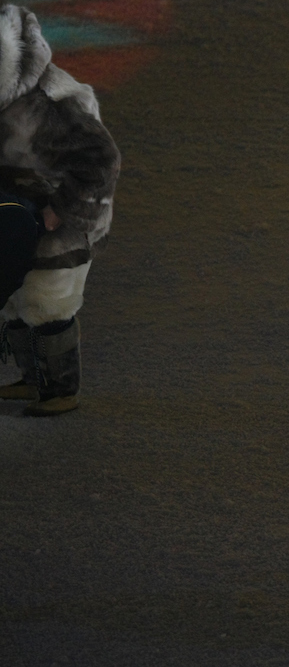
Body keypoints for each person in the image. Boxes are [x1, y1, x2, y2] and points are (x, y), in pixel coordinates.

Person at [0, 4, 121, 416]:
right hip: (17, 214)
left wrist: (60, 210)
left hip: (62, 221)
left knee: (48, 304)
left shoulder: (49, 104)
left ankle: (61, 388)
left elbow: (101, 159)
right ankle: (33, 380)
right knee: (14, 302)